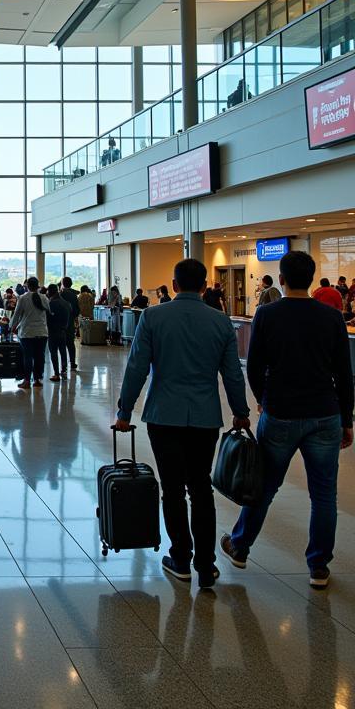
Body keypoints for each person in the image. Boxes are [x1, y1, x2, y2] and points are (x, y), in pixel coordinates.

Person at [114, 258, 250, 590]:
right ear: (204, 287)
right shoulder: (220, 322)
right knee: (201, 489)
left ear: (174, 285)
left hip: (164, 416)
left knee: (172, 489)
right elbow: (232, 372)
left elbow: (137, 368)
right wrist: (240, 411)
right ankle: (206, 565)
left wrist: (124, 411)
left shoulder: (153, 317)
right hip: (204, 418)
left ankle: (180, 557)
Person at [222, 251, 353, 589]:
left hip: (280, 412)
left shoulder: (267, 314)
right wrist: (347, 419)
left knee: (264, 486)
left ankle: (240, 546)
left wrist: (263, 400)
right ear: (310, 279)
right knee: (324, 495)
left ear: (281, 279)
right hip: (325, 414)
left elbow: (252, 365)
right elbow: (344, 373)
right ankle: (319, 566)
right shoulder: (332, 317)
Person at [9, 278, 48, 389]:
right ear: (38, 286)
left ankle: (27, 380)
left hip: (27, 332)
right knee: (39, 356)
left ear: (27, 286)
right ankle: (37, 379)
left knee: (28, 357)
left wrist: (11, 326)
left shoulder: (23, 298)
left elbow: (16, 314)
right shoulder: (44, 298)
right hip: (42, 332)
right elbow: (48, 312)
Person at [45, 283, 70, 381]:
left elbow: (48, 317)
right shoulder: (66, 303)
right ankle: (63, 370)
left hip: (53, 331)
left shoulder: (52, 303)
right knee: (63, 351)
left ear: (50, 291)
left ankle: (56, 373)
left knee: (53, 352)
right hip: (63, 330)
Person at [60, 277, 81, 371]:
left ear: (63, 284)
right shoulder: (74, 296)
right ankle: (72, 362)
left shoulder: (61, 294)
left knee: (62, 344)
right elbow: (77, 310)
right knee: (70, 344)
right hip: (70, 322)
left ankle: (63, 365)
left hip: (61, 323)